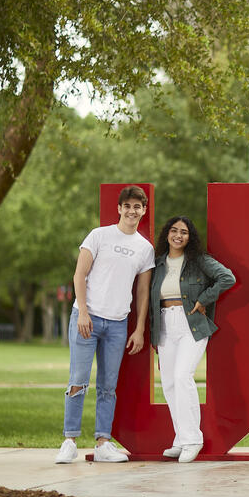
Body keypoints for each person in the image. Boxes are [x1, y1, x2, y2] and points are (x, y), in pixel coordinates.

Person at [56, 185, 154, 464]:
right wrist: (83, 312)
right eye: (128, 206)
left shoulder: (145, 249)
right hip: (86, 319)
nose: (132, 211)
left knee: (108, 386)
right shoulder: (98, 235)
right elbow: (79, 274)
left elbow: (143, 292)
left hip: (117, 324)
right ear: (119, 208)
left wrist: (139, 329)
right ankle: (69, 441)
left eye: (137, 207)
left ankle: (103, 443)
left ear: (143, 211)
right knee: (78, 381)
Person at [143, 216, 236, 463]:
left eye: (183, 232)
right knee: (169, 384)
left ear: (189, 236)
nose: (178, 235)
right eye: (174, 231)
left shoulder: (199, 260)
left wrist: (204, 299)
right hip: (165, 324)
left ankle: (193, 439)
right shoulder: (158, 263)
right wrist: (153, 333)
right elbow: (151, 300)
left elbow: (227, 277)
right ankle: (181, 438)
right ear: (167, 234)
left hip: (190, 324)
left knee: (182, 377)